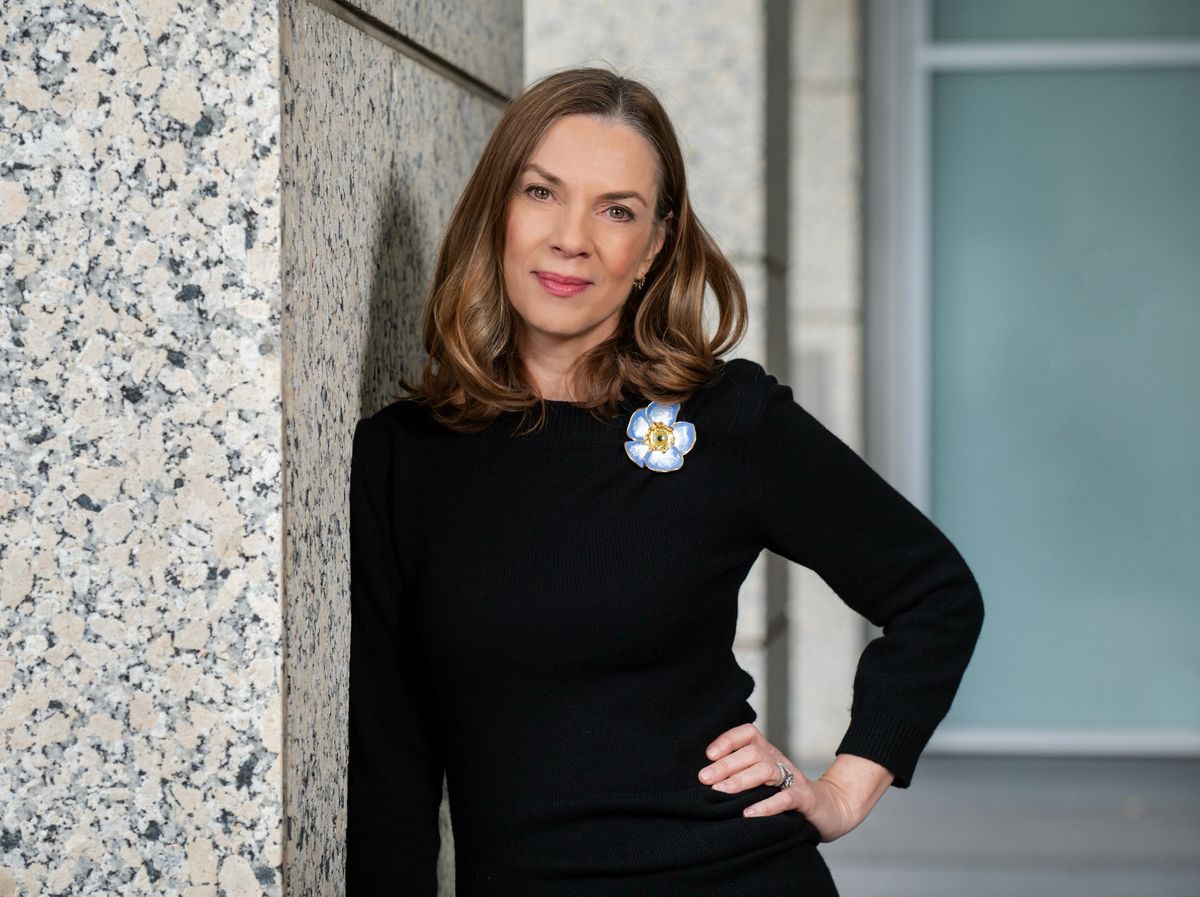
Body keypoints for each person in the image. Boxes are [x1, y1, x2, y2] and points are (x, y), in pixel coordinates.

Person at [345, 66, 984, 897]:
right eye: (543, 192)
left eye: (617, 210)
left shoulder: (727, 420)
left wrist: (843, 787)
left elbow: (935, 592)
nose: (572, 236)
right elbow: (391, 759)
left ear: (652, 248)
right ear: (497, 209)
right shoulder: (404, 456)